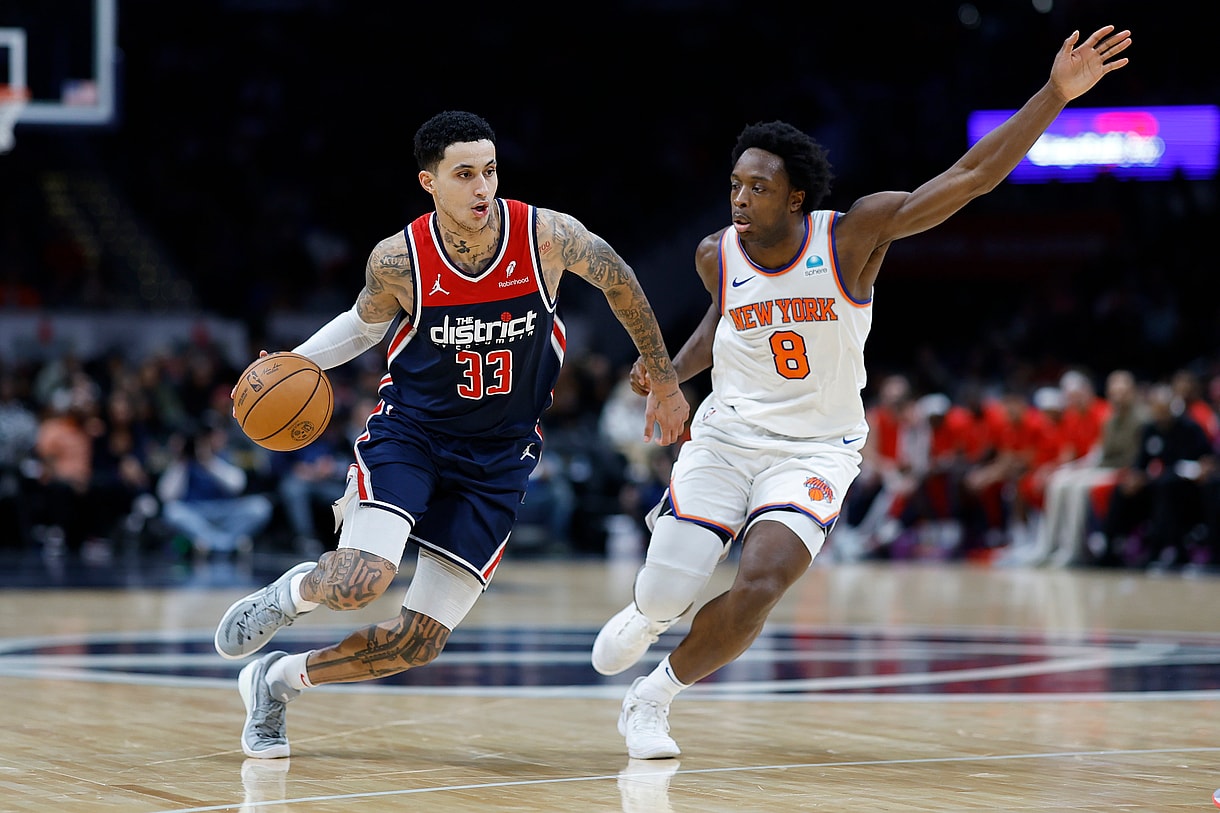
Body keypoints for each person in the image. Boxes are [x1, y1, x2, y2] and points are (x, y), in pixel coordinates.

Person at [591, 26, 1132, 759]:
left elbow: (970, 177)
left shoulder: (851, 236)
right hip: (727, 436)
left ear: (797, 196)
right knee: (665, 589)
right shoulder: (715, 252)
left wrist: (1055, 95)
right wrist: (669, 371)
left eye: (759, 187)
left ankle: (653, 697)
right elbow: (725, 322)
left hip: (817, 446)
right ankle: (651, 613)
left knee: (762, 583)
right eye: (735, 185)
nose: (741, 199)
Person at [213, 110, 689, 759]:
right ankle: (294, 591)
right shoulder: (398, 260)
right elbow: (362, 327)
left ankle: (274, 682)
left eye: (489, 170)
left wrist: (663, 378)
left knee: (418, 642)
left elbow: (619, 281)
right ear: (429, 182)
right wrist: (293, 362)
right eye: (465, 173)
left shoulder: (545, 237)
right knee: (360, 580)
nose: (482, 186)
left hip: (498, 458)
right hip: (413, 436)